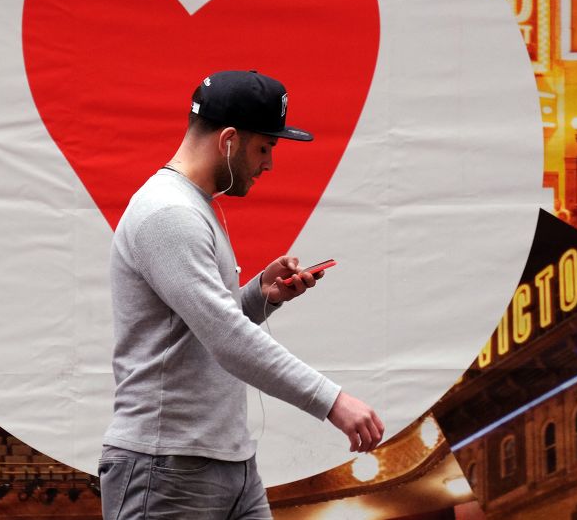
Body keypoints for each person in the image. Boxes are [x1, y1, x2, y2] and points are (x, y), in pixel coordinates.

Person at [99, 70, 384, 519]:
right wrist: (331, 401)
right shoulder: (168, 214)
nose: (269, 163)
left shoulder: (193, 208)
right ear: (229, 139)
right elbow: (226, 337)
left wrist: (260, 296)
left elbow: (198, 327)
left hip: (226, 465)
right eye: (264, 147)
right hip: (167, 468)